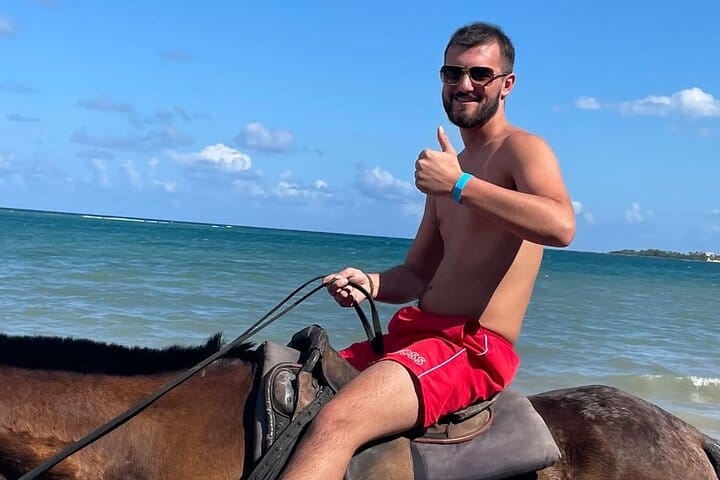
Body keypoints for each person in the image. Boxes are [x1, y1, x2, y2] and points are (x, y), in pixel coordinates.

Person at [279, 22, 575, 480]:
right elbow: (418, 273)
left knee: (337, 420)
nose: (464, 84)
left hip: (470, 347)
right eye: (452, 73)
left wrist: (458, 185)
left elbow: (560, 225)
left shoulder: (520, 150)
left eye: (480, 74)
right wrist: (368, 283)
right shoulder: (451, 170)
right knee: (292, 381)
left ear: (507, 84)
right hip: (416, 333)